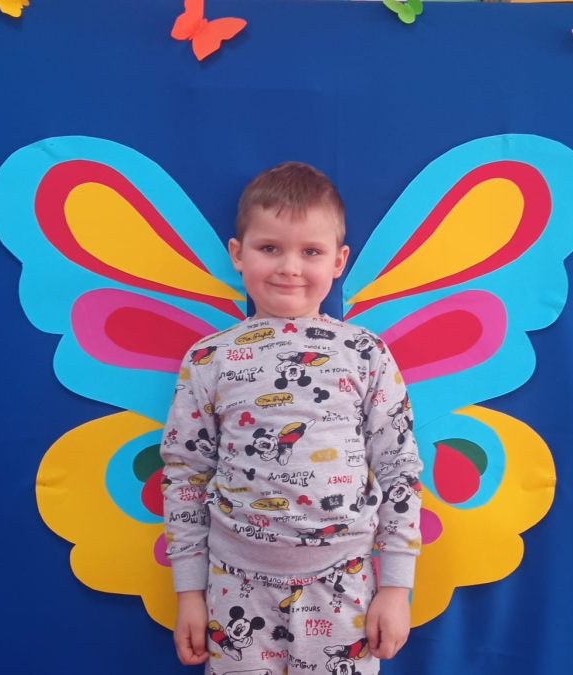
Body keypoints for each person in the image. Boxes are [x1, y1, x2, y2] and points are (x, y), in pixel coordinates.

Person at [161, 161, 423, 675]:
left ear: (339, 260)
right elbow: (185, 475)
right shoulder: (209, 358)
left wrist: (396, 588)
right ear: (238, 254)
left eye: (311, 252)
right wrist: (189, 593)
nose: (289, 268)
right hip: (234, 584)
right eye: (269, 248)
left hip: (344, 583)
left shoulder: (365, 353)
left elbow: (400, 470)